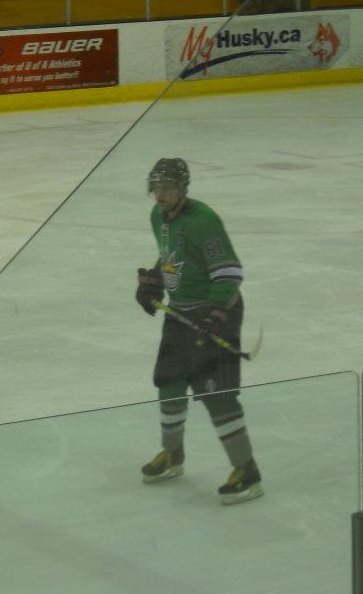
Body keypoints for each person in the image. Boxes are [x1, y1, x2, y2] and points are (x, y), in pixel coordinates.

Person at [135, 157, 263, 505]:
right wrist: (154, 281)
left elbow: (229, 272)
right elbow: (172, 256)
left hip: (215, 312)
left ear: (182, 189)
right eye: (156, 187)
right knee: (169, 381)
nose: (160, 195)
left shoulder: (204, 221)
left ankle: (247, 471)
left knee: (216, 393)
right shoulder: (157, 217)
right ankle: (172, 455)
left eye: (167, 188)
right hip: (180, 313)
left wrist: (217, 312)